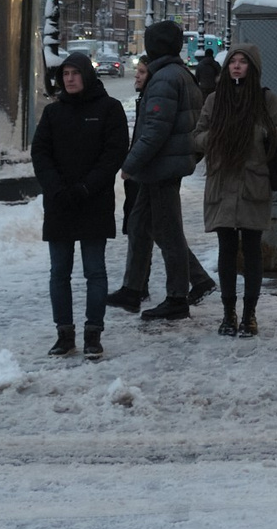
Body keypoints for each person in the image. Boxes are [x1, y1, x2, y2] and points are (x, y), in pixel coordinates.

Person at [107, 20, 212, 322]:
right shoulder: (179, 74)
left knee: (168, 232)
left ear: (156, 46)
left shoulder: (165, 78)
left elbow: (155, 130)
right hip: (163, 166)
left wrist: (130, 163)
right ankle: (133, 288)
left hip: (160, 168)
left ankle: (177, 297)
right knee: (141, 224)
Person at [31, 51, 128, 359]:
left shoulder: (109, 109)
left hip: (93, 202)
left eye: (75, 73)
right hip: (60, 203)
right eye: (65, 74)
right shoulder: (53, 113)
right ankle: (64, 333)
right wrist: (56, 188)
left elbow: (114, 153)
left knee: (94, 271)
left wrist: (88, 186)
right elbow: (40, 153)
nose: (70, 78)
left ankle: (93, 333)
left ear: (87, 75)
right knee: (59, 272)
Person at [191, 43, 277, 337]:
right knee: (226, 250)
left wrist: (262, 133)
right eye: (232, 61)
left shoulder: (265, 99)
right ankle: (227, 313)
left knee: (252, 250)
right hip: (222, 183)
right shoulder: (214, 99)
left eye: (242, 62)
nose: (236, 66)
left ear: (253, 67)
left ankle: (249, 315)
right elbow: (196, 136)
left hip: (252, 183)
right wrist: (215, 138)